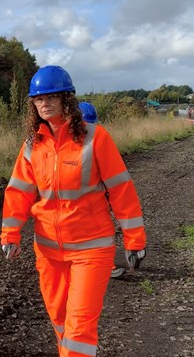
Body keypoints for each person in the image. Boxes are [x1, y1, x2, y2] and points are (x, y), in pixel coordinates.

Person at [0, 66, 147, 357]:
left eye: (52, 96)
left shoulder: (95, 138)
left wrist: (135, 239)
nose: (44, 103)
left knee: (79, 327)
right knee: (60, 319)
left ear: (67, 99)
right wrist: (10, 232)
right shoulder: (32, 145)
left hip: (91, 249)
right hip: (48, 251)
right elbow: (19, 191)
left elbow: (121, 190)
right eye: (38, 98)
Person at [79, 101, 127, 279]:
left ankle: (106, 264)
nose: (89, 127)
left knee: (101, 230)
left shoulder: (99, 139)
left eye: (92, 123)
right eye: (87, 122)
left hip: (97, 197)